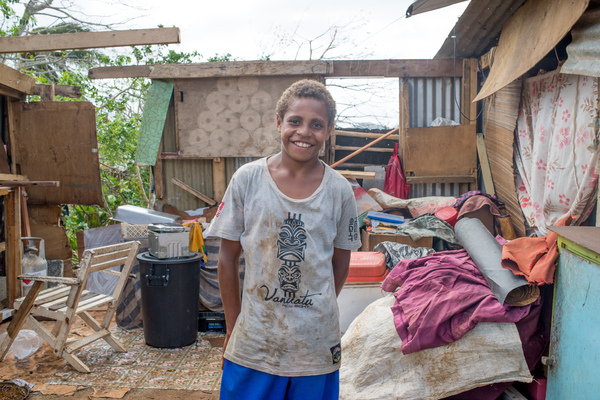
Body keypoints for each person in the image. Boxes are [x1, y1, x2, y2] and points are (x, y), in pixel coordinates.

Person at [209, 79, 360, 400]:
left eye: (316, 125)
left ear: (328, 130)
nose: (304, 132)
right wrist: (233, 326)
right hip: (255, 341)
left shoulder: (339, 191)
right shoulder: (247, 180)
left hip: (315, 345)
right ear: (278, 123)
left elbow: (340, 263)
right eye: (295, 121)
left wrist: (311, 306)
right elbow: (226, 259)